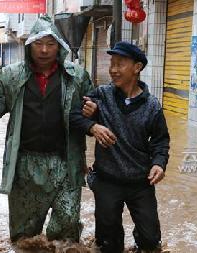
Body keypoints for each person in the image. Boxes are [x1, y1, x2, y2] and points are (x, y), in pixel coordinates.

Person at [0, 15, 94, 243]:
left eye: (50, 44)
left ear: (59, 47)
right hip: (24, 166)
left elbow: (98, 112)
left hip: (66, 163)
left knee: (67, 232)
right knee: (25, 238)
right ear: (29, 46)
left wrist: (93, 113)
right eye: (38, 44)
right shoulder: (11, 77)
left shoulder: (76, 77)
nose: (44, 50)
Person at [70, 41, 170, 253]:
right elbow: (73, 115)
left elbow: (160, 140)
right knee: (108, 244)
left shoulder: (152, 106)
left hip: (140, 183)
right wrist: (93, 126)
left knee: (150, 242)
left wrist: (159, 164)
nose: (113, 70)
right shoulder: (101, 95)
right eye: (111, 63)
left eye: (120, 64)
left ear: (137, 67)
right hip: (107, 181)